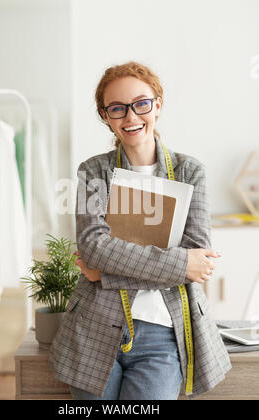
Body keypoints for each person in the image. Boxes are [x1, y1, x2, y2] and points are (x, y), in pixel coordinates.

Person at [49, 61, 231, 400]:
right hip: (93, 328)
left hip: (164, 336)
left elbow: (196, 259)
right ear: (106, 116)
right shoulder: (93, 172)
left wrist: (104, 274)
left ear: (157, 105)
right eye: (117, 108)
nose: (131, 117)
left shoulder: (190, 171)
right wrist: (177, 264)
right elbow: (93, 247)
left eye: (141, 104)